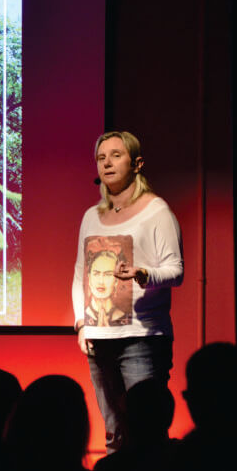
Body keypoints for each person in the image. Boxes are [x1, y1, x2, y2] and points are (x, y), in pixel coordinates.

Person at [72, 131, 183, 452]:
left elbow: (176, 271)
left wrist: (143, 273)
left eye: (116, 155)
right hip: (99, 336)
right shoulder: (91, 216)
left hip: (143, 336)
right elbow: (81, 272)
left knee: (146, 433)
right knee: (113, 433)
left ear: (137, 164)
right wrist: (82, 323)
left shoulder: (156, 211)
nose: (107, 162)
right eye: (101, 157)